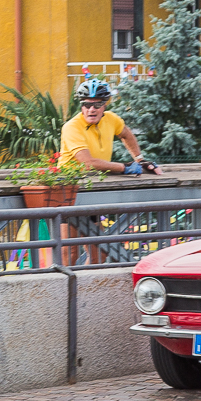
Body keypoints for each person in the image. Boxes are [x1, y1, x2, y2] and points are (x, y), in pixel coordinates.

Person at [58, 78, 161, 264]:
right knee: (70, 253)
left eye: (97, 105)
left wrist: (139, 159)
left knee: (100, 253)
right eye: (87, 104)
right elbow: (88, 163)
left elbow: (126, 134)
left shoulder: (111, 119)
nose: (92, 109)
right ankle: (65, 284)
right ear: (81, 106)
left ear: (104, 106)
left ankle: (87, 283)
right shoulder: (71, 127)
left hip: (91, 191)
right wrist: (124, 167)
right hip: (69, 192)